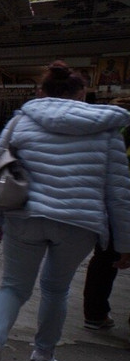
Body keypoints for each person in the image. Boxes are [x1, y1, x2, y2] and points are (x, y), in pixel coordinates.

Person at [0, 62, 130, 361]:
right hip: (79, 222)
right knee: (57, 289)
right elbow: (118, 194)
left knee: (13, 286)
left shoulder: (21, 121)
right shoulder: (107, 130)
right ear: (82, 93)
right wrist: (124, 243)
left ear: (43, 91)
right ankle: (43, 357)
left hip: (26, 216)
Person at [82, 96, 130, 329]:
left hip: (106, 205)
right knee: (107, 259)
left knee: (104, 258)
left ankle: (95, 313)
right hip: (119, 201)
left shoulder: (99, 133)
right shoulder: (116, 136)